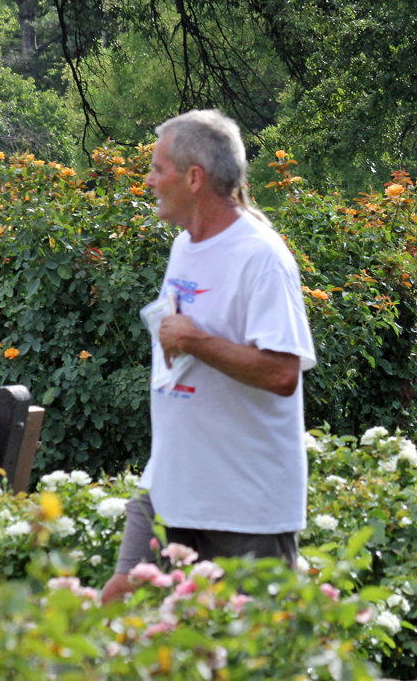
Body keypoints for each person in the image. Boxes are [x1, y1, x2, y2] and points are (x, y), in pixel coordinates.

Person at [100, 109, 316, 603]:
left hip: (246, 511)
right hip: (175, 495)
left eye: (158, 169)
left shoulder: (261, 256)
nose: (149, 180)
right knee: (140, 629)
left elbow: (283, 372)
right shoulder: (183, 246)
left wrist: (196, 341)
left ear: (194, 177)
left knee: (252, 662)